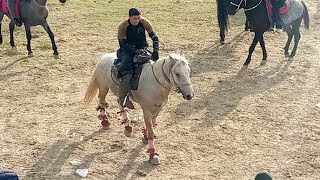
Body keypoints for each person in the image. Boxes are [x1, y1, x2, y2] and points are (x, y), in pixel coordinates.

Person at [117, 7, 159, 109]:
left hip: (143, 48)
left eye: (138, 18)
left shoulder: (144, 22)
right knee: (127, 71)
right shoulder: (123, 26)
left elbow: (154, 37)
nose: (137, 20)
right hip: (128, 50)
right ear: (129, 17)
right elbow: (123, 45)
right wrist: (135, 51)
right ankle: (123, 98)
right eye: (134, 18)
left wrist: (156, 50)